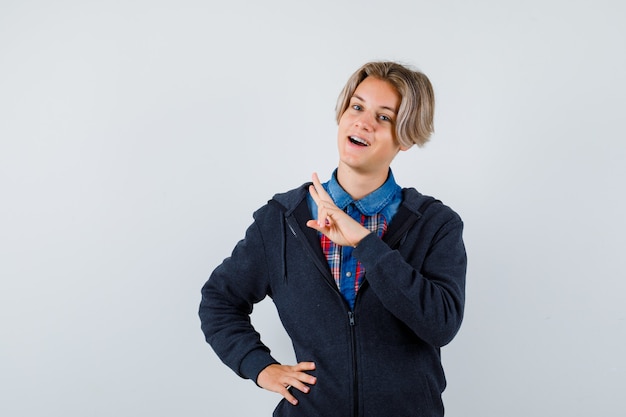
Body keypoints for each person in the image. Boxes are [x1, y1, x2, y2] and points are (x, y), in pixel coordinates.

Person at [199, 61, 467, 417]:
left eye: (384, 117)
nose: (363, 122)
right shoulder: (282, 219)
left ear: (406, 137)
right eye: (356, 107)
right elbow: (219, 300)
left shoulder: (435, 224)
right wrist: (259, 366)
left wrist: (365, 244)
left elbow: (441, 324)